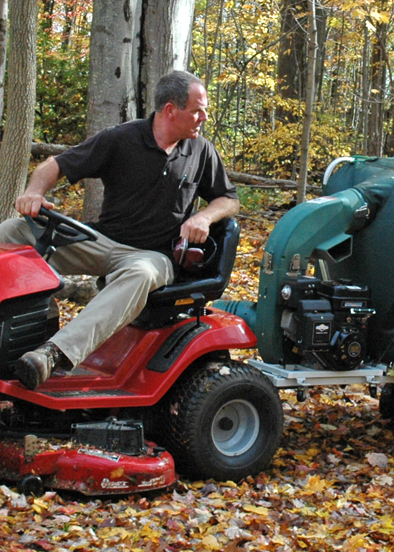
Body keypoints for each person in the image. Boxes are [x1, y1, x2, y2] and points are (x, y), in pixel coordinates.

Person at [0, 70, 239, 390]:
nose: (204, 117)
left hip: (153, 256)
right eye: (197, 110)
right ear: (170, 110)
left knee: (141, 273)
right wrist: (34, 193)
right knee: (12, 230)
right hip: (101, 241)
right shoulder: (121, 138)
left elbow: (228, 199)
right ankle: (34, 315)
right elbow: (53, 166)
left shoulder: (201, 150)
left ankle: (53, 353)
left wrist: (204, 217)